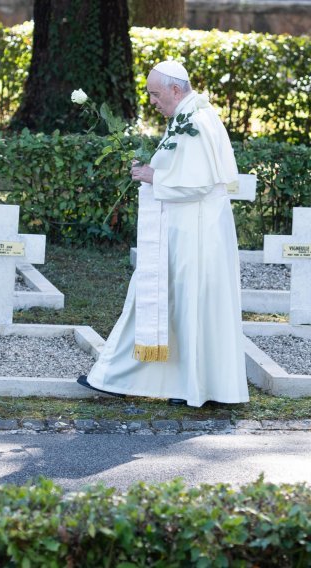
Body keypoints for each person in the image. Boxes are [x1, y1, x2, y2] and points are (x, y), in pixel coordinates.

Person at [77, 60, 249, 407]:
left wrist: (153, 176)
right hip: (190, 227)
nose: (153, 101)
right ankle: (165, 382)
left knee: (185, 303)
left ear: (175, 89)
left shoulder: (196, 121)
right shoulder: (191, 116)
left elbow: (199, 182)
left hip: (196, 231)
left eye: (156, 94)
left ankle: (183, 385)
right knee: (173, 303)